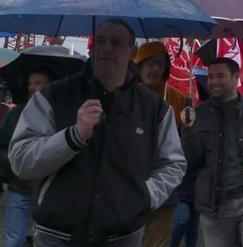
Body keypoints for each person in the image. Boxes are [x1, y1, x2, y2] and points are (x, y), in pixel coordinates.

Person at [9, 19, 186, 246]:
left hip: (123, 236)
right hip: (57, 235)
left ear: (132, 51)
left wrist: (145, 195)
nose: (107, 48)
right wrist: (73, 136)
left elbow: (174, 163)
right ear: (92, 48)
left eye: (116, 42)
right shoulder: (54, 96)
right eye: (101, 40)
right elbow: (21, 160)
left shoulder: (155, 109)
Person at [181, 58, 243, 247]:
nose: (214, 81)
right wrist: (189, 130)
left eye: (220, 76)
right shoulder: (197, 114)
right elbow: (192, 162)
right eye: (211, 77)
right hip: (215, 205)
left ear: (235, 77)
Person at [133, 41, 181, 247]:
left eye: (160, 64)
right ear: (139, 65)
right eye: (149, 63)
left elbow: (180, 153)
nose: (154, 69)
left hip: (163, 193)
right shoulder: (125, 97)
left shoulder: (178, 100)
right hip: (128, 191)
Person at [0, 67, 53, 247]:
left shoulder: (58, 113)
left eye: (37, 83)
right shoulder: (16, 113)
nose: (31, 87)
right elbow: (2, 144)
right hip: (19, 188)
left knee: (43, 242)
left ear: (49, 86)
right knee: (13, 241)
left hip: (48, 192)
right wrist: (14, 166)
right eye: (30, 83)